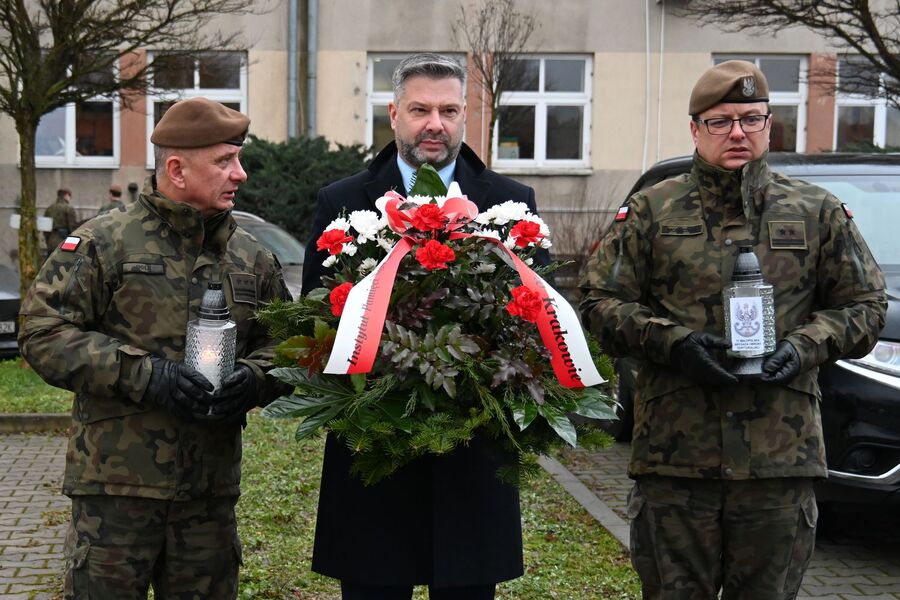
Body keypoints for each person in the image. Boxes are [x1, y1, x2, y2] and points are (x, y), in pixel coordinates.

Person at [580, 60, 888, 600]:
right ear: (695, 129)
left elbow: (864, 306)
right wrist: (675, 344)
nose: (738, 132)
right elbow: (599, 302)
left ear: (770, 125)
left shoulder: (817, 212)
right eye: (721, 121)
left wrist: (803, 347)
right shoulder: (652, 210)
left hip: (778, 461)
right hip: (676, 459)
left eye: (751, 118)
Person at [19, 97, 290, 599]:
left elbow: (289, 348)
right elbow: (41, 331)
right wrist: (145, 375)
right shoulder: (106, 242)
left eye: (239, 159)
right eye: (225, 161)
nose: (241, 174)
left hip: (208, 498)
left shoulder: (252, 257)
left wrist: (254, 379)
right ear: (176, 169)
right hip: (115, 495)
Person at [302, 53, 541, 600]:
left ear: (465, 116)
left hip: (471, 448)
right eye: (420, 109)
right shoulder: (342, 202)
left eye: (449, 110)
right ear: (394, 114)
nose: (435, 123)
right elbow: (318, 311)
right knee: (374, 586)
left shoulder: (511, 202)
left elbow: (535, 319)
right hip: (375, 440)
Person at [44, 187, 79, 253]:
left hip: (51, 241)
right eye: (70, 196)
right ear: (66, 195)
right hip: (65, 242)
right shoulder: (69, 208)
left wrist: (48, 242)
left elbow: (45, 230)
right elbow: (73, 229)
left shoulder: (49, 209)